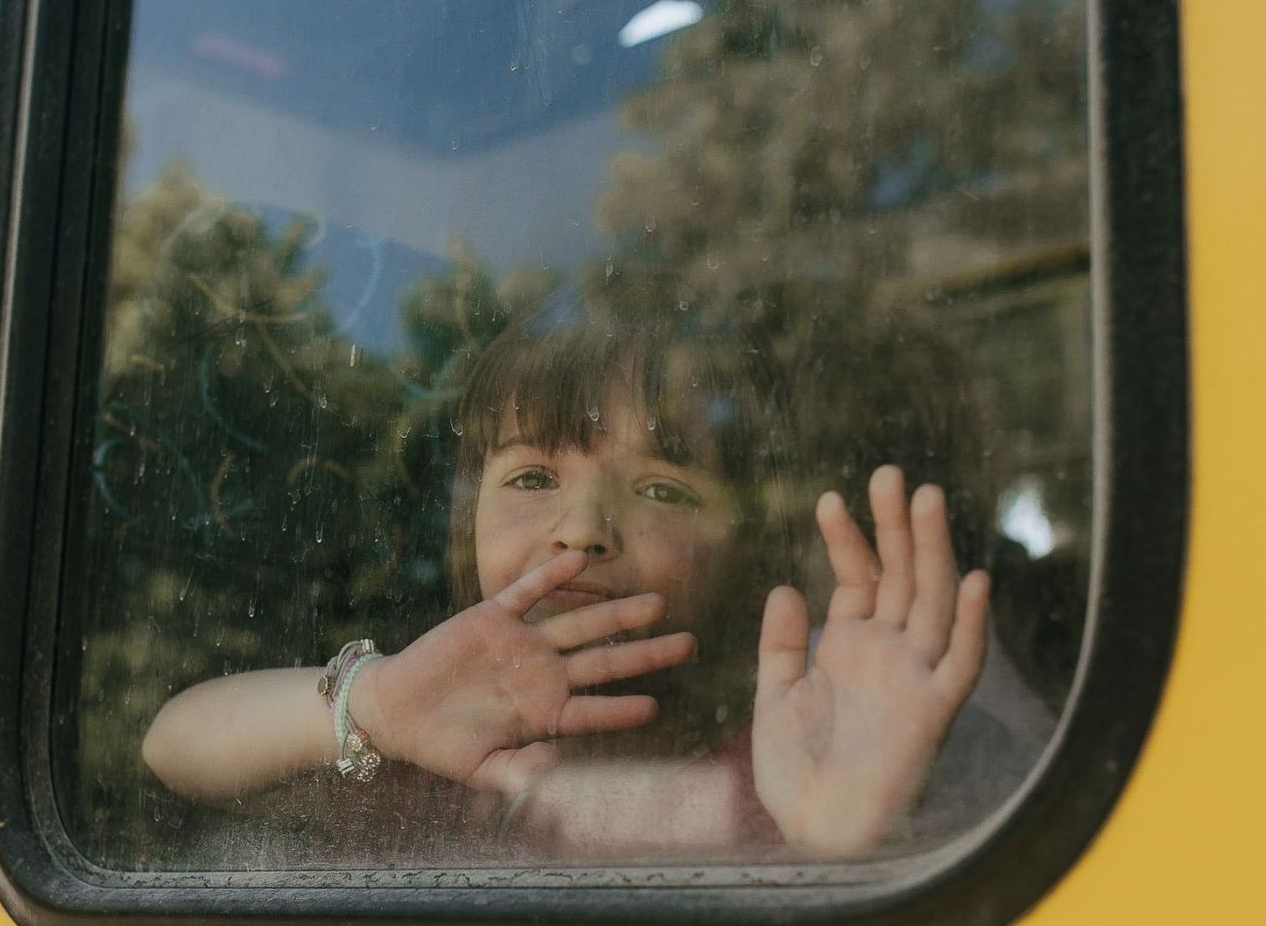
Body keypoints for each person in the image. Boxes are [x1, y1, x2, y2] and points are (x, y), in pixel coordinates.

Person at [143, 314, 1020, 860]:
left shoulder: (828, 749)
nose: (584, 529)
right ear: (466, 530)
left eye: (663, 489)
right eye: (531, 478)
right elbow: (174, 745)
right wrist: (372, 703)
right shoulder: (443, 737)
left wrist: (841, 854)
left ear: (748, 560)